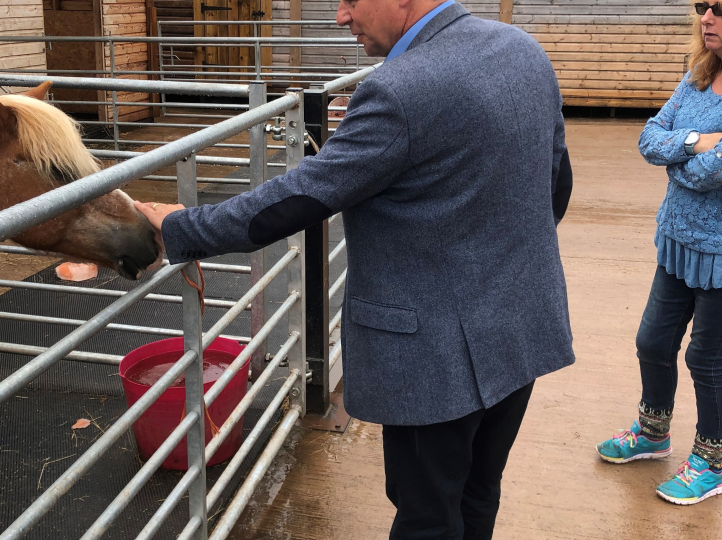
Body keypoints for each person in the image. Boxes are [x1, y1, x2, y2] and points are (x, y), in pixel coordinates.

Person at [136, 0, 574, 537]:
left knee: (426, 514)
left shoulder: (399, 90)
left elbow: (299, 198)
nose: (340, 15)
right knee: (478, 489)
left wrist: (185, 226)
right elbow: (556, 188)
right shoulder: (523, 50)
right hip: (520, 327)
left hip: (435, 359)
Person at [595, 1, 722, 506]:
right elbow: (650, 138)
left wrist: (677, 158)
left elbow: (714, 174)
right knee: (652, 340)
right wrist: (695, 142)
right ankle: (653, 432)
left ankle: (712, 460)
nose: (706, 18)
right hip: (676, 242)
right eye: (702, 7)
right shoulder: (695, 76)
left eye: (718, 8)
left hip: (719, 255)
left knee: (708, 360)